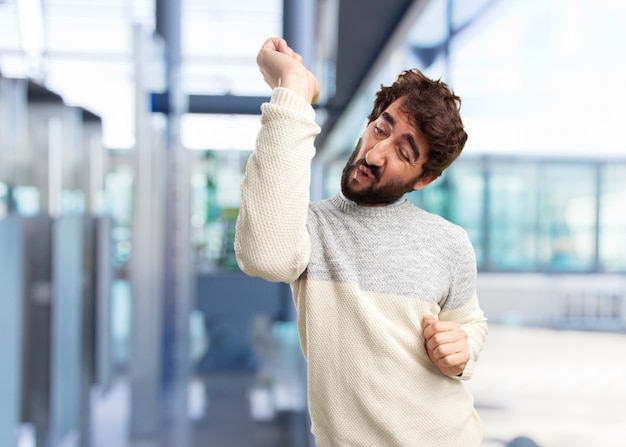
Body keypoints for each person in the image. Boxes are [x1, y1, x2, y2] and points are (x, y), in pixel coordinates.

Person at [235, 37, 488, 447]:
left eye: (403, 152)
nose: (374, 154)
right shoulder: (310, 227)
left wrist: (463, 350)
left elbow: (470, 324)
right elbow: (264, 257)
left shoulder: (449, 242)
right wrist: (293, 91)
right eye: (380, 130)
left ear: (423, 179)